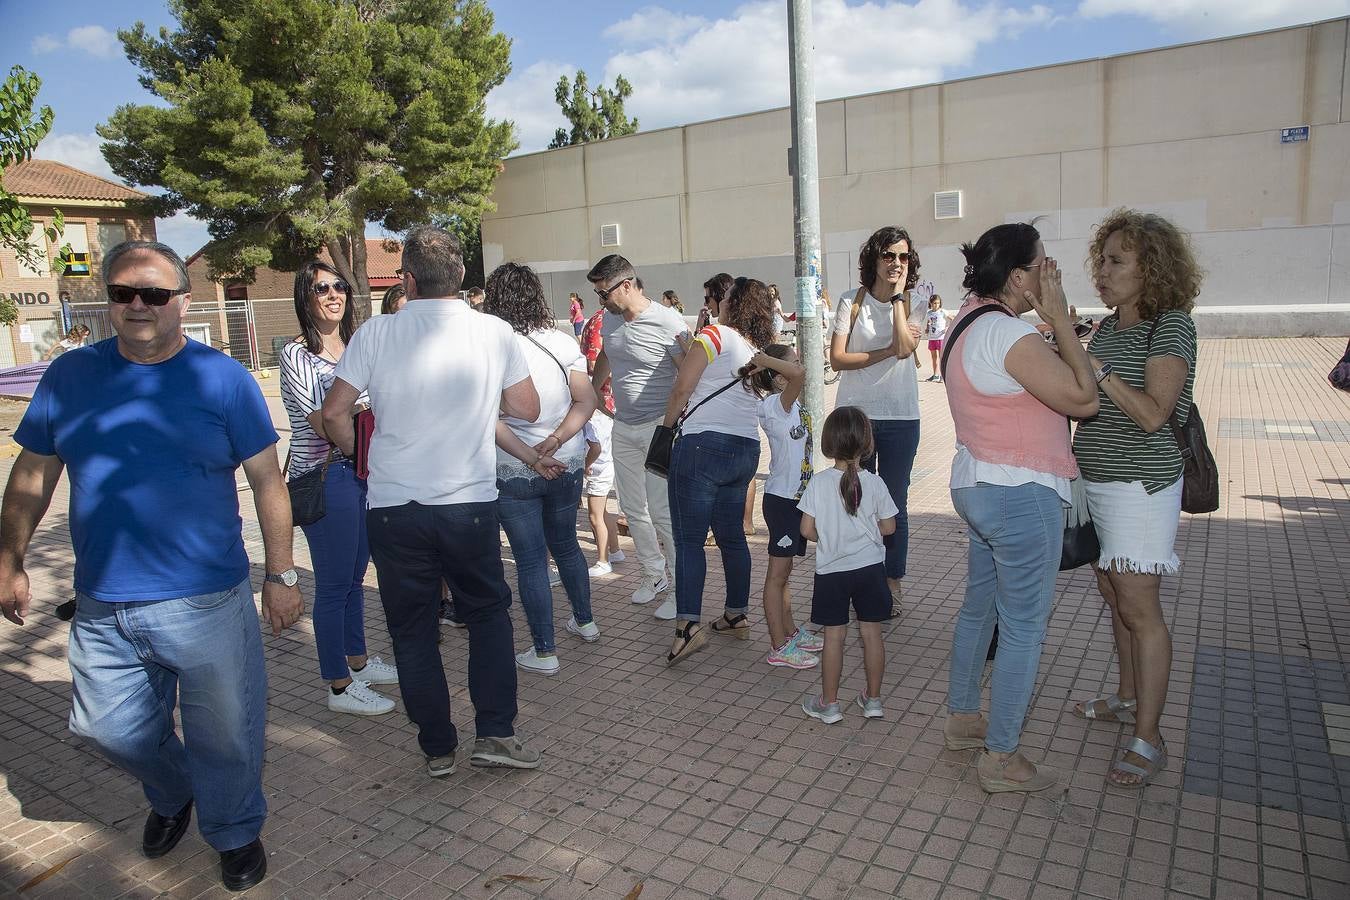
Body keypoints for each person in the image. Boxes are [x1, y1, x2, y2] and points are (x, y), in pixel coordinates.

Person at [0, 240, 300, 891]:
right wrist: (10, 557)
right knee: (107, 731)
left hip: (207, 601)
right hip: (103, 603)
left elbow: (269, 483)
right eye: (123, 292)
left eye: (155, 294)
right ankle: (173, 792)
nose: (138, 305)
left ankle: (234, 831)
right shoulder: (69, 378)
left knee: (227, 736)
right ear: (106, 299)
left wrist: (281, 576)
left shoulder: (222, 379)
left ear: (182, 302)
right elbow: (30, 475)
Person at [321, 225, 542, 777]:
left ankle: (438, 746)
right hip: (467, 504)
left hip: (394, 507)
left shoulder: (375, 333)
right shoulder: (493, 331)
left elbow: (332, 414)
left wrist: (361, 458)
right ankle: (494, 732)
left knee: (412, 628)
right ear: (462, 276)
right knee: (488, 615)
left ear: (409, 280)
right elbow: (528, 406)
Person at [941, 223, 1099, 794]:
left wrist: (1050, 326)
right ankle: (1000, 756)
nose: (1049, 273)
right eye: (1042, 265)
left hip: (978, 485)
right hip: (1021, 492)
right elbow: (1084, 400)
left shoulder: (968, 319)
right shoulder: (1009, 336)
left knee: (980, 609)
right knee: (1024, 628)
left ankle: (963, 718)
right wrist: (1059, 319)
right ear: (1017, 275)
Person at [1069, 209, 1201, 789]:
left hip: (1140, 486)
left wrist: (1094, 370)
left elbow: (1152, 415)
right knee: (1113, 591)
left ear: (1153, 268)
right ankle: (1126, 698)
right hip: (1097, 483)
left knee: (1140, 606)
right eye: (1101, 259)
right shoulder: (1106, 324)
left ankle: (1150, 736)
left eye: (1117, 260)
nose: (1103, 271)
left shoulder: (1170, 326)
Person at [280, 262, 399, 716]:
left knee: (353, 577)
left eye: (339, 287)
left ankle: (358, 661)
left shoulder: (354, 346)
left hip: (361, 473)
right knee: (332, 584)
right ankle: (338, 685)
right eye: (321, 288)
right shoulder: (296, 354)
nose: (333, 295)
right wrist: (362, 447)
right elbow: (322, 419)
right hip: (329, 475)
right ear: (304, 297)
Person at [482, 263, 599, 676]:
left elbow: (487, 419)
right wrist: (553, 443)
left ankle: (544, 650)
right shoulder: (561, 340)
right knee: (566, 544)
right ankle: (585, 621)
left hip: (512, 467)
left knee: (531, 561)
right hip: (565, 462)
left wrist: (533, 454)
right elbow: (586, 402)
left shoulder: (489, 345)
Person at [661, 277, 775, 665]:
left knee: (689, 540)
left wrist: (665, 428)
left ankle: (687, 627)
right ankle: (736, 615)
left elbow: (682, 388)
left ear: (735, 302)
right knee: (731, 537)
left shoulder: (715, 334)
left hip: (701, 446)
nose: (718, 301)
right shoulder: (755, 348)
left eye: (725, 296)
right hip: (745, 449)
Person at [587, 255, 690, 618]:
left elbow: (689, 372)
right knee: (632, 509)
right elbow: (608, 354)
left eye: (604, 293)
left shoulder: (668, 322)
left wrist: (675, 423)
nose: (601, 301)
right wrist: (594, 389)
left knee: (663, 512)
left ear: (626, 285)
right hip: (624, 427)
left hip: (659, 427)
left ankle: (681, 589)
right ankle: (653, 574)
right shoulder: (612, 320)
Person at [829, 226, 923, 606]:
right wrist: (886, 351)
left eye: (902, 257)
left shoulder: (915, 303)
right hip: (857, 416)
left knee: (894, 501)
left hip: (901, 416)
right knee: (855, 496)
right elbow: (836, 358)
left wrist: (898, 300)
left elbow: (905, 345)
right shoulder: (850, 300)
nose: (896, 264)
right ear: (873, 259)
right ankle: (860, 576)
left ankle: (892, 580)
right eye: (888, 256)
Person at [798, 407, 897, 723]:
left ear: (829, 443)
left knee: (834, 637)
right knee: (872, 635)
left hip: (832, 571)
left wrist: (827, 538)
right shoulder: (877, 483)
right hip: (870, 569)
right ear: (867, 444)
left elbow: (805, 530)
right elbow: (890, 528)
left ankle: (829, 704)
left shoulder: (819, 483)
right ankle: (873, 700)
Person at [751, 343, 822, 669]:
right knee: (776, 577)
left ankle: (791, 633)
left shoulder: (791, 407)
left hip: (797, 499)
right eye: (792, 362)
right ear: (779, 378)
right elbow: (801, 374)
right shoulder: (775, 406)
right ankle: (778, 645)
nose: (800, 365)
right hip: (781, 500)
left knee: (786, 575)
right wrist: (764, 360)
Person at [582, 415, 625, 575]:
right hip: (607, 466)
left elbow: (596, 448)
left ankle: (603, 561)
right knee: (603, 513)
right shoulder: (605, 417)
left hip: (599, 470)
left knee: (595, 516)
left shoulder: (589, 420)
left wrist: (585, 465)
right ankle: (615, 551)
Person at [922, 293, 953, 382]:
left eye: (938, 303)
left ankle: (943, 376)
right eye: (934, 303)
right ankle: (935, 375)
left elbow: (953, 319)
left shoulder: (942, 312)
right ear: (930, 303)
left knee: (941, 357)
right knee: (933, 357)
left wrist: (947, 328)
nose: (936, 305)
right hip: (932, 338)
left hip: (941, 338)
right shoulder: (929, 313)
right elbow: (929, 323)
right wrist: (927, 329)